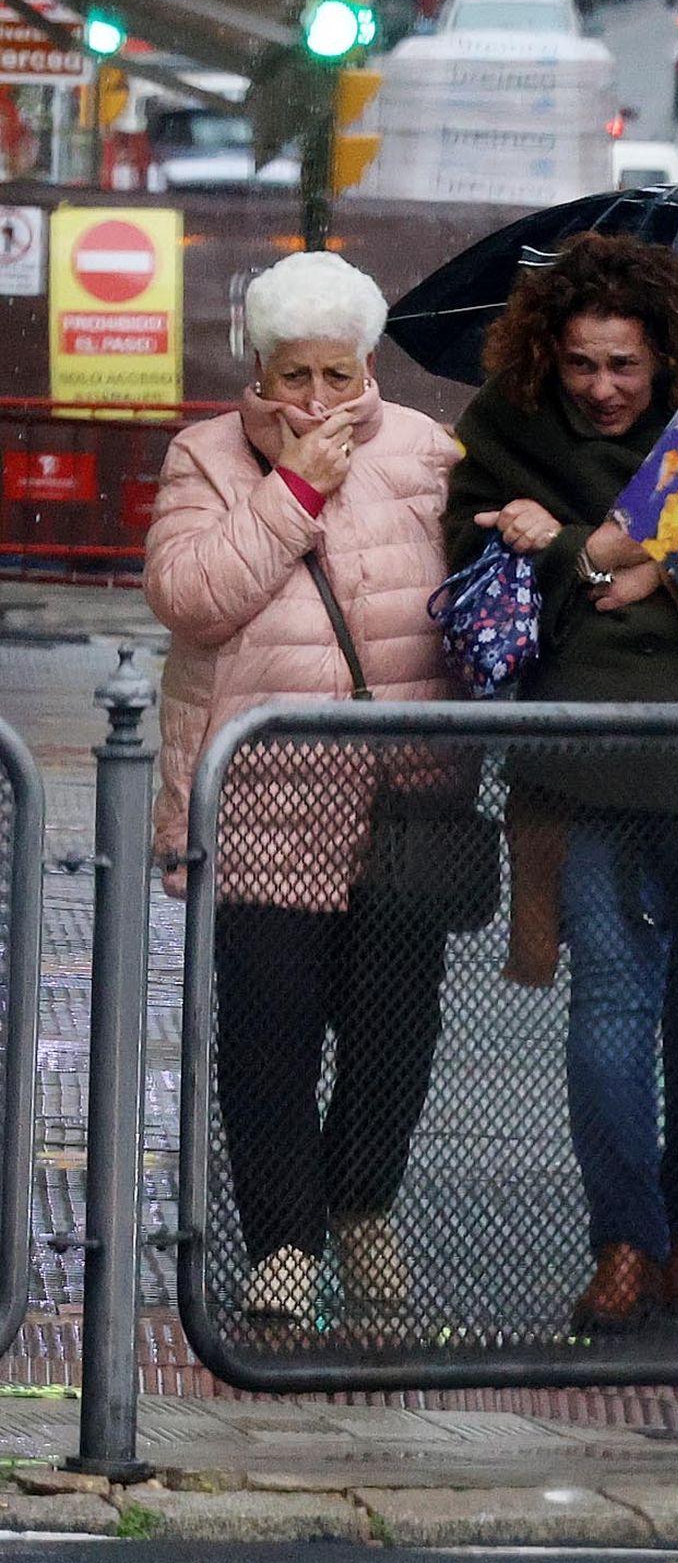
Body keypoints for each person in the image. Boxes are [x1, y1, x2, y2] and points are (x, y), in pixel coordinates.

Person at [443, 233, 678, 1334]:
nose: (602, 387)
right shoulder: (509, 428)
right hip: (587, 768)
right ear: (550, 355)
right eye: (581, 363)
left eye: (624, 364)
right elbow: (474, 581)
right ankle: (624, 1239)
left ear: (666, 356)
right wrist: (615, 558)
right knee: (611, 1012)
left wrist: (591, 552)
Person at [145, 251, 460, 1323]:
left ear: (368, 366)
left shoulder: (424, 450)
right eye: (294, 376)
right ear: (261, 370)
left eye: (337, 374)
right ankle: (282, 1237)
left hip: (402, 793)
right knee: (267, 1031)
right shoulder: (205, 456)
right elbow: (189, 596)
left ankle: (362, 1205)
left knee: (393, 1029)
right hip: (262, 793)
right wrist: (292, 492)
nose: (317, 399)